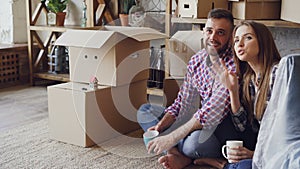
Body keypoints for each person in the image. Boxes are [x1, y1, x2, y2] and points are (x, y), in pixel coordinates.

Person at [137, 9, 255, 169]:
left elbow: (211, 112)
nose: (213, 37)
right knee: (145, 111)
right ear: (203, 31)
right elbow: (183, 103)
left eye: (221, 33)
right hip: (196, 121)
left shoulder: (234, 64)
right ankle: (174, 153)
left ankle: (182, 151)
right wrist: (162, 125)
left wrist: (171, 136)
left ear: (230, 37)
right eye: (209, 31)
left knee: (192, 145)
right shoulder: (197, 60)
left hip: (220, 129)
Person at [194, 20, 281, 169]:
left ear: (263, 41)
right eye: (236, 40)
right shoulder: (250, 79)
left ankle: (222, 165)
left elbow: (283, 129)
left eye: (248, 38)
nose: (239, 44)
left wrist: (254, 154)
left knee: (243, 167)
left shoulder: (277, 72)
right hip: (261, 141)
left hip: (280, 147)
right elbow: (242, 127)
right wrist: (233, 91)